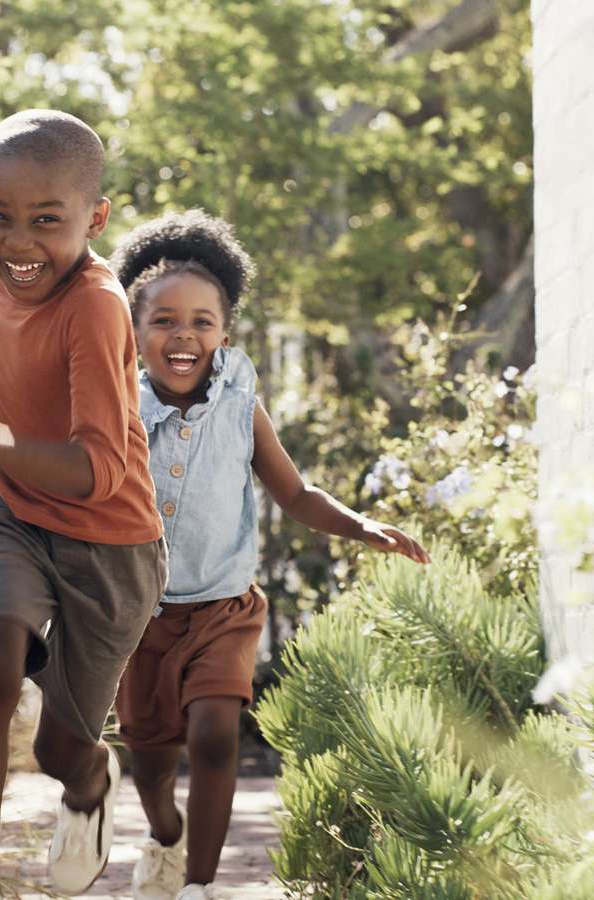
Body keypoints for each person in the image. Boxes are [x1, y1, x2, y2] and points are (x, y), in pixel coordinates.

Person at [109, 210, 430, 900]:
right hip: (137, 615)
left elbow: (294, 490)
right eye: (163, 321)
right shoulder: (117, 408)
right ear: (133, 333)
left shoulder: (239, 402)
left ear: (225, 331)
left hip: (224, 606)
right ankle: (164, 837)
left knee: (217, 734)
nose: (183, 335)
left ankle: (197, 884)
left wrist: (363, 525)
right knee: (152, 764)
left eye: (202, 321)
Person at [0, 109, 167, 900]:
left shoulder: (97, 303)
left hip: (109, 546)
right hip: (12, 512)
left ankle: (91, 785)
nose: (17, 243)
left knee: (59, 751)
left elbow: (96, 469)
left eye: (45, 222)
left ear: (94, 220)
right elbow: (23, 362)